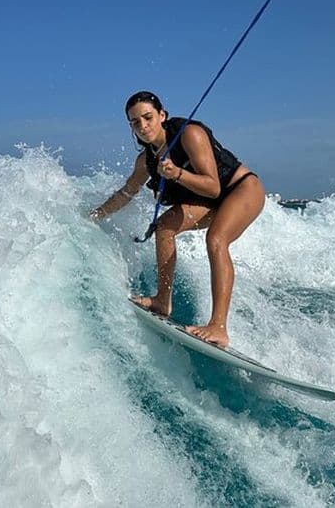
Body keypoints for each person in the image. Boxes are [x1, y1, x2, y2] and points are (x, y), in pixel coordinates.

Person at [90, 91, 265, 348]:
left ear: (162, 115)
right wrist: (96, 215)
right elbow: (126, 192)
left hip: (240, 189)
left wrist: (177, 173)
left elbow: (214, 188)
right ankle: (162, 300)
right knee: (164, 227)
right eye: (135, 122)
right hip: (210, 201)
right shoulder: (146, 161)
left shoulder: (189, 134)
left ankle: (218, 326)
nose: (143, 126)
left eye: (148, 117)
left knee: (216, 239)